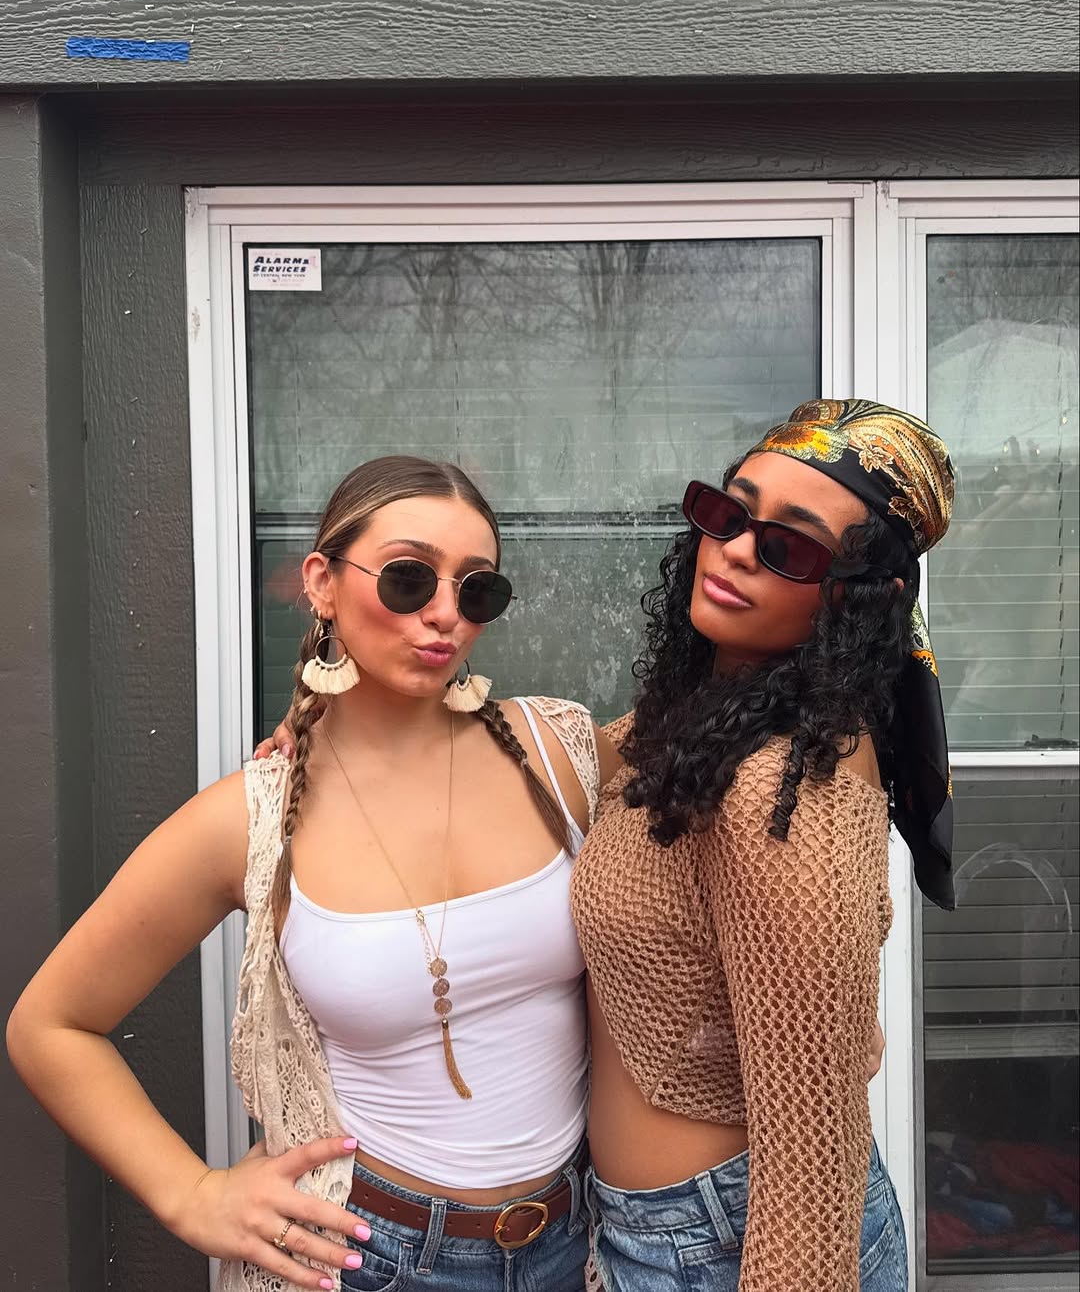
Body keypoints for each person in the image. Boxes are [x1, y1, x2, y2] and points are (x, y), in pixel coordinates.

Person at [7, 455, 623, 1292]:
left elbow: (705, 756)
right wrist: (192, 1195)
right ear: (322, 584)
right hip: (369, 1256)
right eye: (408, 578)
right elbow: (51, 1024)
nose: (446, 613)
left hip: (575, 1245)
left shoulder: (560, 751)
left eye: (476, 589)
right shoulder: (252, 819)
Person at [571, 398, 956, 1290]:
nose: (737, 549)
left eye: (792, 547)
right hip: (660, 1235)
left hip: (736, 1246)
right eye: (728, 513)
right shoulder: (712, 722)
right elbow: (585, 749)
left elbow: (813, 1154)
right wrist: (363, 720)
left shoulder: (789, 793)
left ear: (860, 596)